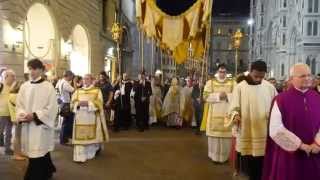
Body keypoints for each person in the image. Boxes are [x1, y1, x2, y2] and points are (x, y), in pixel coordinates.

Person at [262, 63, 320, 180]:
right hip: (289, 155)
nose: (307, 78)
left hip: (315, 152)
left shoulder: (317, 97)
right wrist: (301, 145)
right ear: (292, 78)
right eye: (302, 76)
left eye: (309, 75)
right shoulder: (281, 99)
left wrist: (317, 143)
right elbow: (276, 129)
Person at [226, 60, 277, 180]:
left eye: (262, 76)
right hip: (247, 130)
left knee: (262, 162)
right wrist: (235, 115)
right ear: (250, 71)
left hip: (264, 131)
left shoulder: (269, 87)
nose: (259, 79)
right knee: (249, 161)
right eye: (256, 76)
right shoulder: (240, 87)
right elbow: (233, 107)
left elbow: (277, 106)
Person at [16, 59, 58, 180]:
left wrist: (34, 116)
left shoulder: (48, 87)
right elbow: (19, 105)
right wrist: (23, 115)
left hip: (40, 127)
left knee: (38, 155)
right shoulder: (24, 86)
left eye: (34, 69)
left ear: (41, 70)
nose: (31, 71)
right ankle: (48, 170)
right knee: (36, 154)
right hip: (28, 126)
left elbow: (52, 108)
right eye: (30, 68)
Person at [201, 64, 235, 163]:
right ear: (217, 72)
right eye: (220, 72)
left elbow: (237, 96)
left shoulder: (233, 83)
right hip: (213, 115)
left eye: (224, 72)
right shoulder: (210, 83)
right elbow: (205, 96)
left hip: (227, 114)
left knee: (226, 140)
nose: (222, 74)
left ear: (226, 72)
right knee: (214, 139)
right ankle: (214, 157)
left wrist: (228, 96)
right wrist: (218, 96)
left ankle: (226, 157)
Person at [71, 74, 109, 162]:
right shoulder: (78, 91)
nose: (85, 80)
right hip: (80, 117)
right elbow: (72, 103)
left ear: (92, 80)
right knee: (80, 137)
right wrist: (78, 104)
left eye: (87, 79)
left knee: (91, 137)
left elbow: (100, 103)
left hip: (91, 117)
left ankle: (91, 152)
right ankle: (80, 155)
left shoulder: (97, 90)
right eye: (84, 79)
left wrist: (88, 103)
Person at [8, 81, 27, 160]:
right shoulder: (15, 96)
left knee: (18, 136)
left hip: (16, 117)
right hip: (17, 118)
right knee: (17, 137)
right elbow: (24, 105)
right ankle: (16, 154)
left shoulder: (12, 95)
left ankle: (19, 152)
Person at [56, 70, 75, 145]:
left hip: (63, 103)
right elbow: (74, 91)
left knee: (66, 122)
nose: (72, 78)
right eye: (71, 76)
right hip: (66, 104)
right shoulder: (65, 83)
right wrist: (75, 82)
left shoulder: (60, 81)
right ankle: (63, 139)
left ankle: (64, 138)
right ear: (69, 75)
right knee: (66, 123)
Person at [0, 69, 16, 155]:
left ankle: (7, 148)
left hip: (10, 114)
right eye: (12, 76)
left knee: (9, 133)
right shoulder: (1, 86)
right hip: (1, 114)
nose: (14, 78)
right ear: (6, 77)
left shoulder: (12, 87)